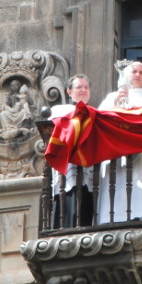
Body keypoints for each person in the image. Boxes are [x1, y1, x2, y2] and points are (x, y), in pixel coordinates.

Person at [98, 61, 142, 223]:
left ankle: (141, 216)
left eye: (141, 72)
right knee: (116, 186)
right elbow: (99, 119)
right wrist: (115, 104)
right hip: (116, 152)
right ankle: (110, 218)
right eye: (134, 72)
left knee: (141, 189)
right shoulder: (113, 97)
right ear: (127, 75)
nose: (138, 75)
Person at [50, 74, 94, 228]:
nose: (83, 90)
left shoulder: (93, 112)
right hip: (68, 171)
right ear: (69, 92)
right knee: (69, 212)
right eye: (79, 87)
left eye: (86, 87)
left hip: (88, 171)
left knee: (85, 212)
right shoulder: (61, 110)